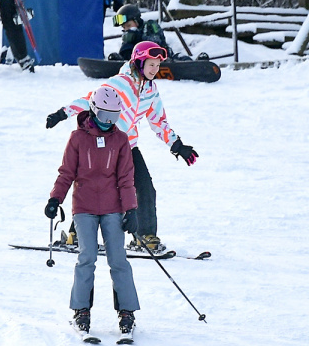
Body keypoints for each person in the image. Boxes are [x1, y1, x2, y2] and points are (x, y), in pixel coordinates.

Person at [45, 41, 199, 253]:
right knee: (97, 187)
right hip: (104, 144)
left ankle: (145, 237)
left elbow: (158, 121)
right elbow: (90, 101)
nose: (155, 70)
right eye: (151, 65)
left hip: (128, 145)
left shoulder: (151, 91)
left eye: (157, 65)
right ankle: (76, 235)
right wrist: (62, 113)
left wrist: (177, 145)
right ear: (139, 63)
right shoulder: (119, 84)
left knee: (145, 187)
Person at [46, 86, 140, 338]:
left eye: (114, 116)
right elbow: (66, 173)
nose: (109, 122)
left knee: (118, 259)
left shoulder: (121, 140)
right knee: (86, 257)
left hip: (113, 208)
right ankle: (81, 311)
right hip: (84, 207)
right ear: (94, 111)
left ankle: (127, 312)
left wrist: (131, 210)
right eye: (105, 116)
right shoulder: (77, 138)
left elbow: (126, 178)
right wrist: (55, 199)